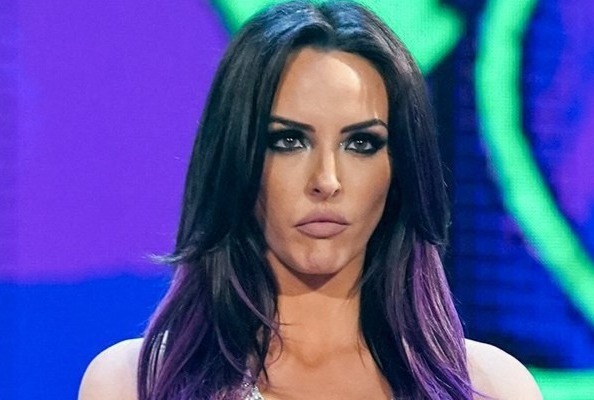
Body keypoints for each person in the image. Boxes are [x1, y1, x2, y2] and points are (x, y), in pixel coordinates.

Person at [79, 1, 542, 399]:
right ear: (236, 160)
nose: (327, 180)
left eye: (360, 143)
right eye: (288, 141)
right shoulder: (134, 383)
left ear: (400, 170)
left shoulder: (489, 387)